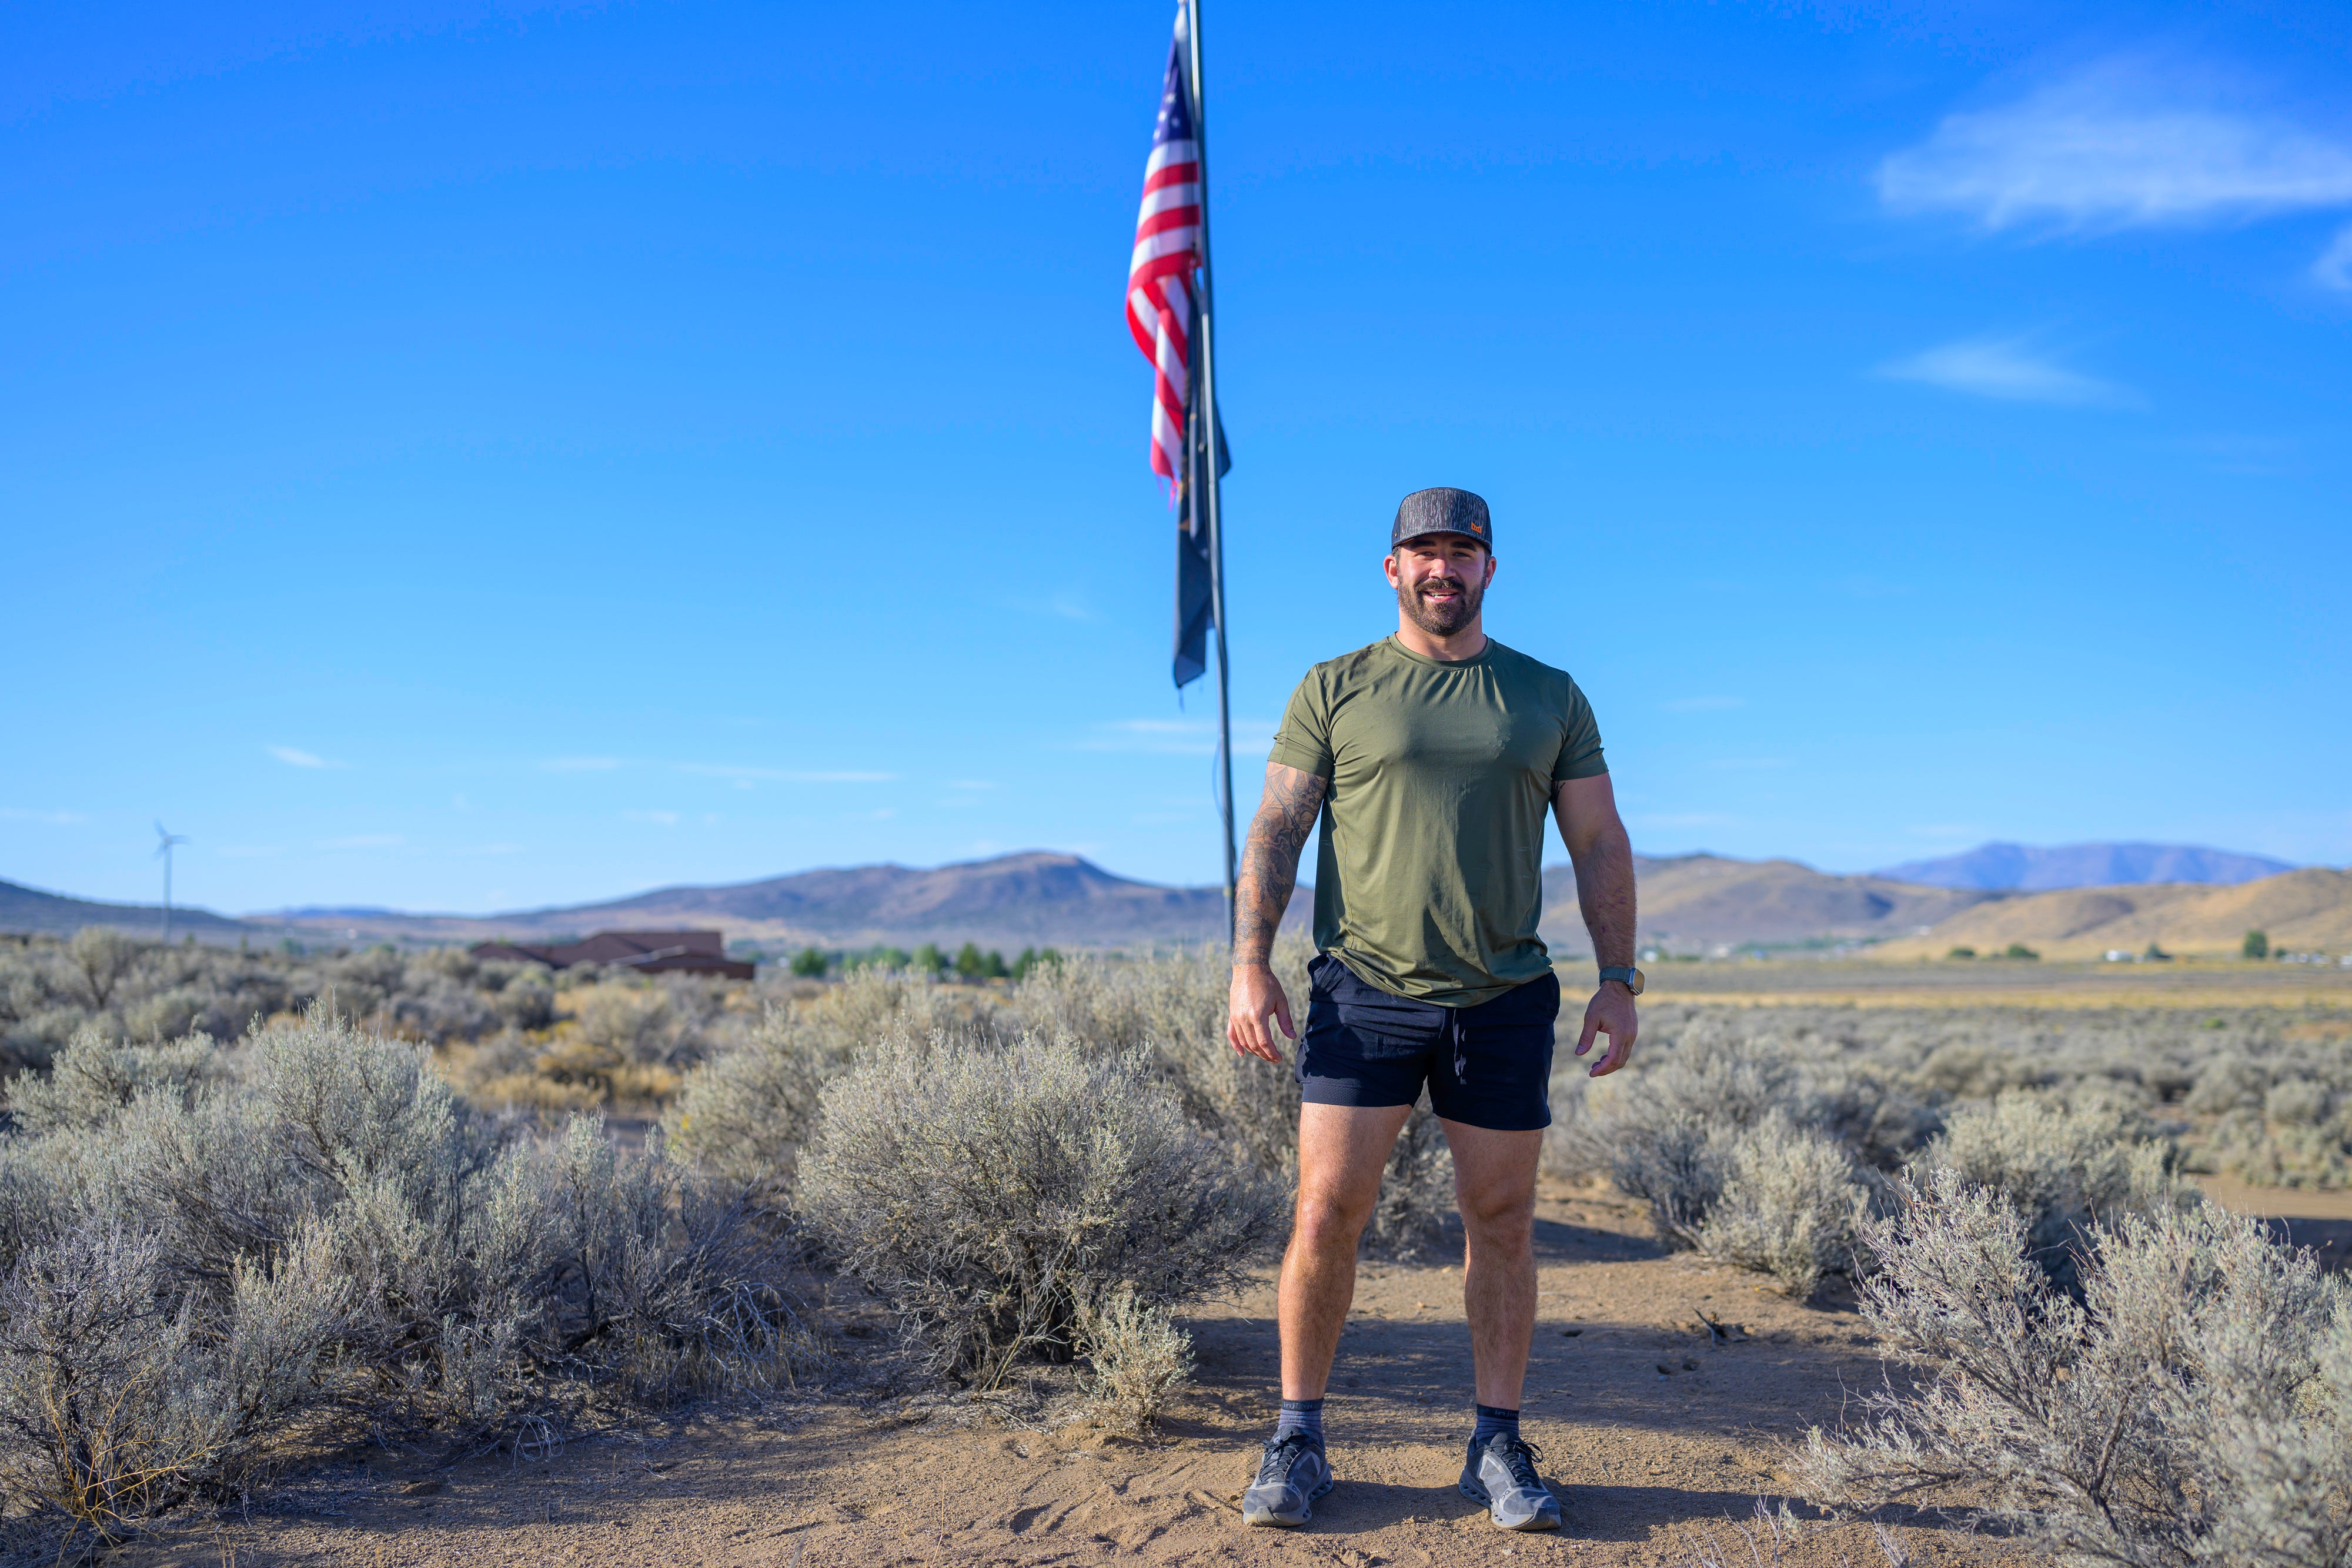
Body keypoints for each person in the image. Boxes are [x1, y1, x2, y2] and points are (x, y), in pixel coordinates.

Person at [1227, 487, 1642, 1533]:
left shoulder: (1547, 695)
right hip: (1362, 993)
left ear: (1491, 568)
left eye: (1463, 552)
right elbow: (1278, 826)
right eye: (1425, 553)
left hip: (1502, 999)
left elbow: (1598, 841)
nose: (1443, 570)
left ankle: (1496, 1442)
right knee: (1327, 1212)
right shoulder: (1337, 687)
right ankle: (1297, 1435)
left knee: (1500, 1221)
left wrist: (1620, 976)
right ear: (1392, 568)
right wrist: (1250, 963)